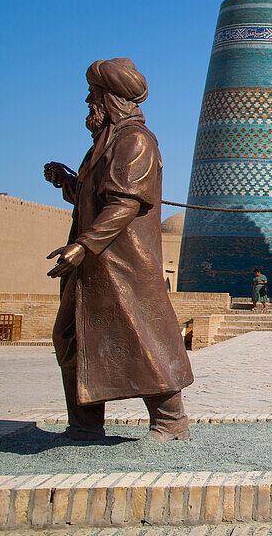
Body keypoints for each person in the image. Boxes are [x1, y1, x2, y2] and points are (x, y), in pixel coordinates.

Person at [44, 58, 194, 442]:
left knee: (141, 338)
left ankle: (171, 421)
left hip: (124, 264)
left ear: (111, 99)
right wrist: (69, 181)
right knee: (74, 337)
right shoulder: (106, 143)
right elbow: (96, 198)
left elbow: (125, 204)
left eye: (93, 95)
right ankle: (85, 424)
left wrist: (82, 245)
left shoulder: (135, 142)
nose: (87, 102)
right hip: (96, 265)